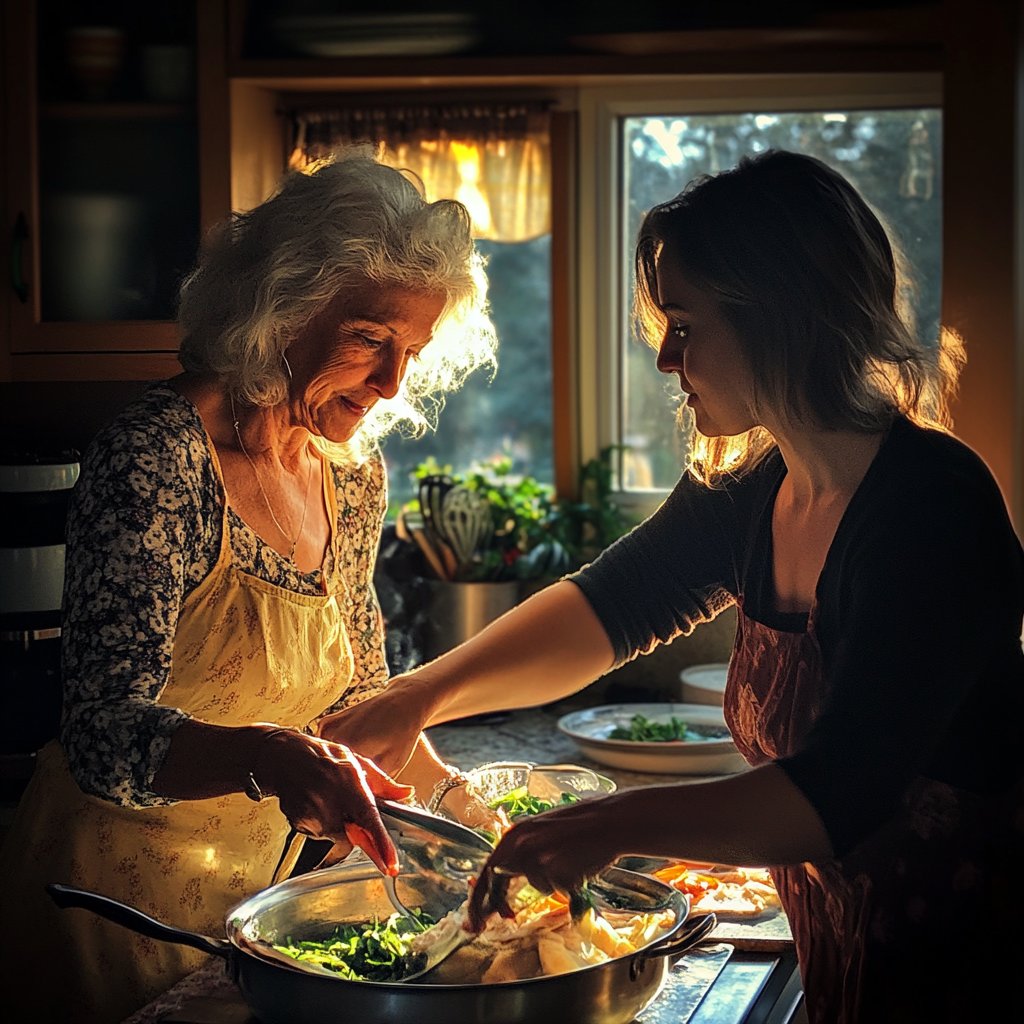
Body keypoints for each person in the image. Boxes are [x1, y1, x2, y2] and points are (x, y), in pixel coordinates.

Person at [329, 150, 1024, 1023]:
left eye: (686, 324)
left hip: (977, 962)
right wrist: (420, 696)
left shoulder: (931, 507)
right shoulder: (756, 485)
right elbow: (607, 608)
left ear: (782, 320)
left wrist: (600, 828)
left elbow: (843, 791)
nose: (664, 357)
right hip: (850, 951)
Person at [0, 147, 500, 1023]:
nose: (391, 384)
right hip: (94, 913)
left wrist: (476, 821)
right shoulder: (157, 457)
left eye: (412, 351)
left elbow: (358, 702)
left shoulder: (350, 474)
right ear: (281, 309)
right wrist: (268, 755)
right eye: (369, 340)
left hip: (244, 918)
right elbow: (104, 738)